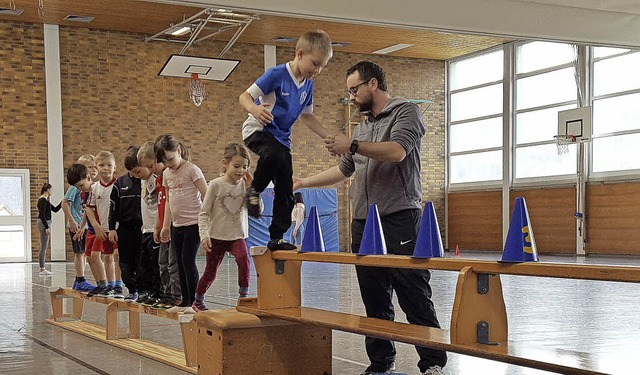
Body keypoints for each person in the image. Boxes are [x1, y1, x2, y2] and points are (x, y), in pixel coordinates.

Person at [294, 61, 447, 375]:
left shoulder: (406, 112)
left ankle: (432, 363)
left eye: (354, 89)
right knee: (374, 298)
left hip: (398, 217)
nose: (351, 96)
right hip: (364, 223)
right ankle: (380, 363)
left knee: (413, 293)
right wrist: (303, 183)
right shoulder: (362, 125)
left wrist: (350, 143)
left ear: (373, 84)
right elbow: (344, 169)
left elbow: (396, 152)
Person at [239, 29, 335, 251]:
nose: (318, 70)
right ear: (300, 54)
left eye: (322, 66)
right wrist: (254, 109)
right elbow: (244, 96)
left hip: (282, 139)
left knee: (285, 189)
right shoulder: (276, 74)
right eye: (315, 63)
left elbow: (307, 115)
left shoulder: (308, 84)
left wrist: (326, 136)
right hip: (258, 130)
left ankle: (276, 238)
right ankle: (254, 189)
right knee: (275, 155)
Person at [192, 142, 258, 312]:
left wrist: (253, 190)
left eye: (245, 167)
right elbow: (204, 213)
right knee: (210, 272)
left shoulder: (246, 186)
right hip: (216, 237)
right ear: (225, 163)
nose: (241, 171)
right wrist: (204, 235)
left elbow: (258, 210)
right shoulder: (215, 185)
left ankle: (243, 297)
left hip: (237, 236)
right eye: (236, 166)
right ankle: (198, 300)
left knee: (244, 260)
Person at [155, 134, 207, 314]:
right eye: (164, 162)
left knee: (187, 260)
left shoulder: (192, 170)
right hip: (177, 225)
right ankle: (184, 301)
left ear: (178, 150)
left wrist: (208, 221)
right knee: (178, 262)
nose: (169, 164)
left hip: (194, 223)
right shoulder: (167, 174)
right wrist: (165, 225)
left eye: (170, 159)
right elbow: (169, 201)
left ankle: (195, 302)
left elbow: (206, 195)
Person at [138, 141, 181, 307]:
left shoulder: (169, 178)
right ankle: (165, 293)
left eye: (151, 165)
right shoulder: (159, 181)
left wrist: (165, 226)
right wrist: (157, 226)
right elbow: (159, 207)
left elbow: (171, 205)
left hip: (172, 226)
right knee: (162, 263)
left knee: (173, 264)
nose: (151, 169)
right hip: (162, 227)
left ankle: (176, 294)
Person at [66, 163, 111, 297]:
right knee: (89, 258)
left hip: (100, 228)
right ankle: (99, 284)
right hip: (90, 229)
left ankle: (105, 284)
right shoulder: (84, 193)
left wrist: (102, 226)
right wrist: (81, 228)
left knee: (95, 256)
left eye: (81, 185)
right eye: (77, 187)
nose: (80, 189)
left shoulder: (97, 189)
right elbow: (86, 211)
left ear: (88, 178)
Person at [108, 146, 146, 302]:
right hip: (125, 230)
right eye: (131, 171)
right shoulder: (120, 183)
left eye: (137, 170)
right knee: (125, 264)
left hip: (143, 230)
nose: (134, 174)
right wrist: (111, 228)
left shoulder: (146, 182)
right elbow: (113, 207)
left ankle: (143, 290)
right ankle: (131, 289)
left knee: (142, 263)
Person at [84, 150, 124, 298]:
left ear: (115, 167)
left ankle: (119, 285)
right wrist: (95, 225)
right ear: (96, 167)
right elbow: (89, 208)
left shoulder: (119, 185)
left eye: (109, 165)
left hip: (118, 228)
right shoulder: (94, 188)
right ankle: (110, 285)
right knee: (107, 257)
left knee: (117, 255)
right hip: (103, 229)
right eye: (101, 165)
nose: (105, 168)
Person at [62, 154, 98, 290]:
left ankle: (80, 280)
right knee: (80, 252)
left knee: (84, 252)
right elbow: (64, 203)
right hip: (77, 224)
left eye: (95, 167)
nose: (93, 170)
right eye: (90, 167)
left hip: (85, 225)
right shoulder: (76, 187)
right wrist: (71, 221)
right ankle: (80, 279)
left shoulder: (92, 187)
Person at [36, 183, 61, 276]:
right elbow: (42, 215)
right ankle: (42, 269)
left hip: (46, 223)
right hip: (44, 223)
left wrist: (63, 202)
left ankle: (42, 269)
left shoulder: (46, 200)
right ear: (47, 190)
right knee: (44, 247)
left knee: (44, 246)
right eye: (51, 189)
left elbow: (55, 209)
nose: (52, 191)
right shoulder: (42, 200)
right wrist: (46, 227)